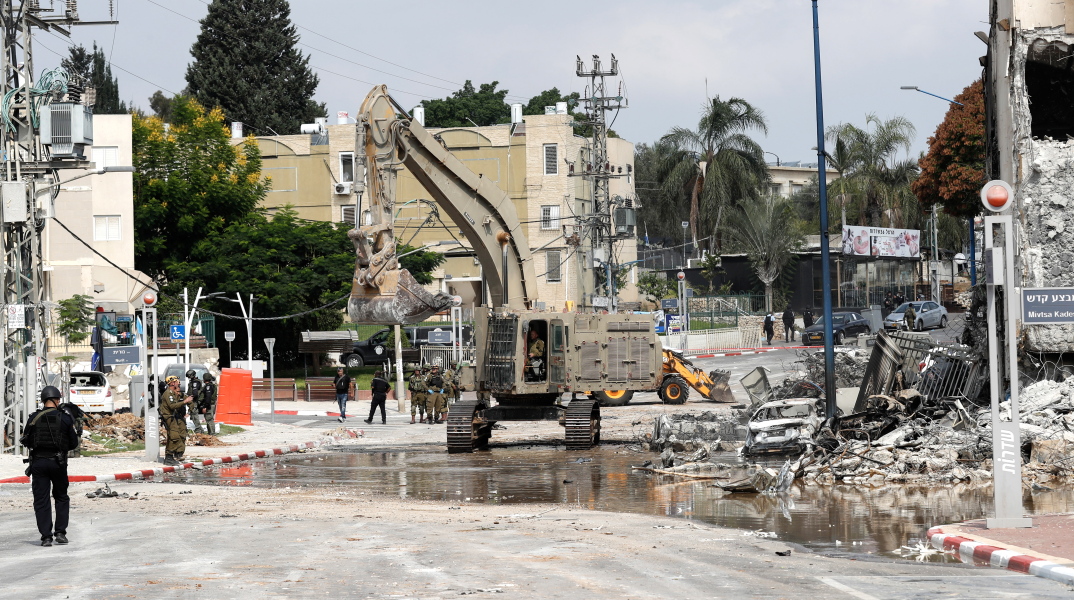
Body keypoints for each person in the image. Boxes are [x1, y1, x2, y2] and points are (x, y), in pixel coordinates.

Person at [20, 385, 79, 547]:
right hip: (58, 463)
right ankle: (60, 533)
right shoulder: (65, 418)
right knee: (61, 496)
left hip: (38, 463)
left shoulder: (33, 418)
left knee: (41, 500)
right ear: (56, 400)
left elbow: (25, 440)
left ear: (44, 400)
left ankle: (46, 536)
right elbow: (74, 443)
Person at [159, 375, 194, 466]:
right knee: (174, 437)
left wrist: (189, 409)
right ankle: (169, 458)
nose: (179, 383)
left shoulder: (175, 393)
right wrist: (185, 402)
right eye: (177, 381)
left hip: (174, 417)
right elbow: (172, 406)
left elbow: (186, 399)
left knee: (177, 436)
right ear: (172, 383)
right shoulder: (168, 393)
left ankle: (176, 455)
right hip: (169, 418)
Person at [185, 369, 206, 434]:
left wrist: (191, 397)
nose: (188, 378)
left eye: (189, 376)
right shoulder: (194, 381)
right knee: (193, 416)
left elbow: (195, 393)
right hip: (193, 400)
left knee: (194, 415)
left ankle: (199, 430)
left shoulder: (195, 382)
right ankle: (200, 430)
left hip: (194, 400)